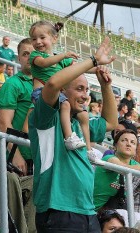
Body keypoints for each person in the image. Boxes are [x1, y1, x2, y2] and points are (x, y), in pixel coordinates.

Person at [28, 37, 117, 233]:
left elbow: (111, 122)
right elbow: (51, 84)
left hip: (88, 211)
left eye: (87, 90)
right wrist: (93, 60)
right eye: (79, 89)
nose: (86, 96)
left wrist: (105, 86)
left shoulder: (81, 122)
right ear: (62, 90)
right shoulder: (45, 118)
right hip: (58, 211)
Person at [29, 20, 92, 152]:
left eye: (42, 37)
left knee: (83, 114)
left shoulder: (61, 60)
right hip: (40, 93)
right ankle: (69, 138)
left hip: (57, 94)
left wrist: (97, 67)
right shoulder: (35, 55)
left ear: (54, 38)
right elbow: (44, 62)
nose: (38, 42)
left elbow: (80, 68)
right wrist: (63, 55)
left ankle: (89, 149)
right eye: (34, 39)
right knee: (66, 104)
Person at [0, 106, 36, 233]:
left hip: (1, 178)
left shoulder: (5, 142)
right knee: (7, 176)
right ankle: (21, 231)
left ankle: (31, 230)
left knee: (34, 181)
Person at [0, 38, 34, 176]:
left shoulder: (45, 84)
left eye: (33, 54)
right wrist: (16, 155)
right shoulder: (12, 84)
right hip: (20, 157)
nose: (30, 57)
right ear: (19, 58)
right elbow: (4, 123)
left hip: (39, 156)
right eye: (25, 54)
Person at [94, 129, 140, 212]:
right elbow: (122, 168)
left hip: (113, 213)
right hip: (91, 209)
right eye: (124, 140)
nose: (128, 144)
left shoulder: (135, 164)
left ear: (135, 150)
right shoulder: (108, 158)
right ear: (115, 145)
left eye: (133, 142)